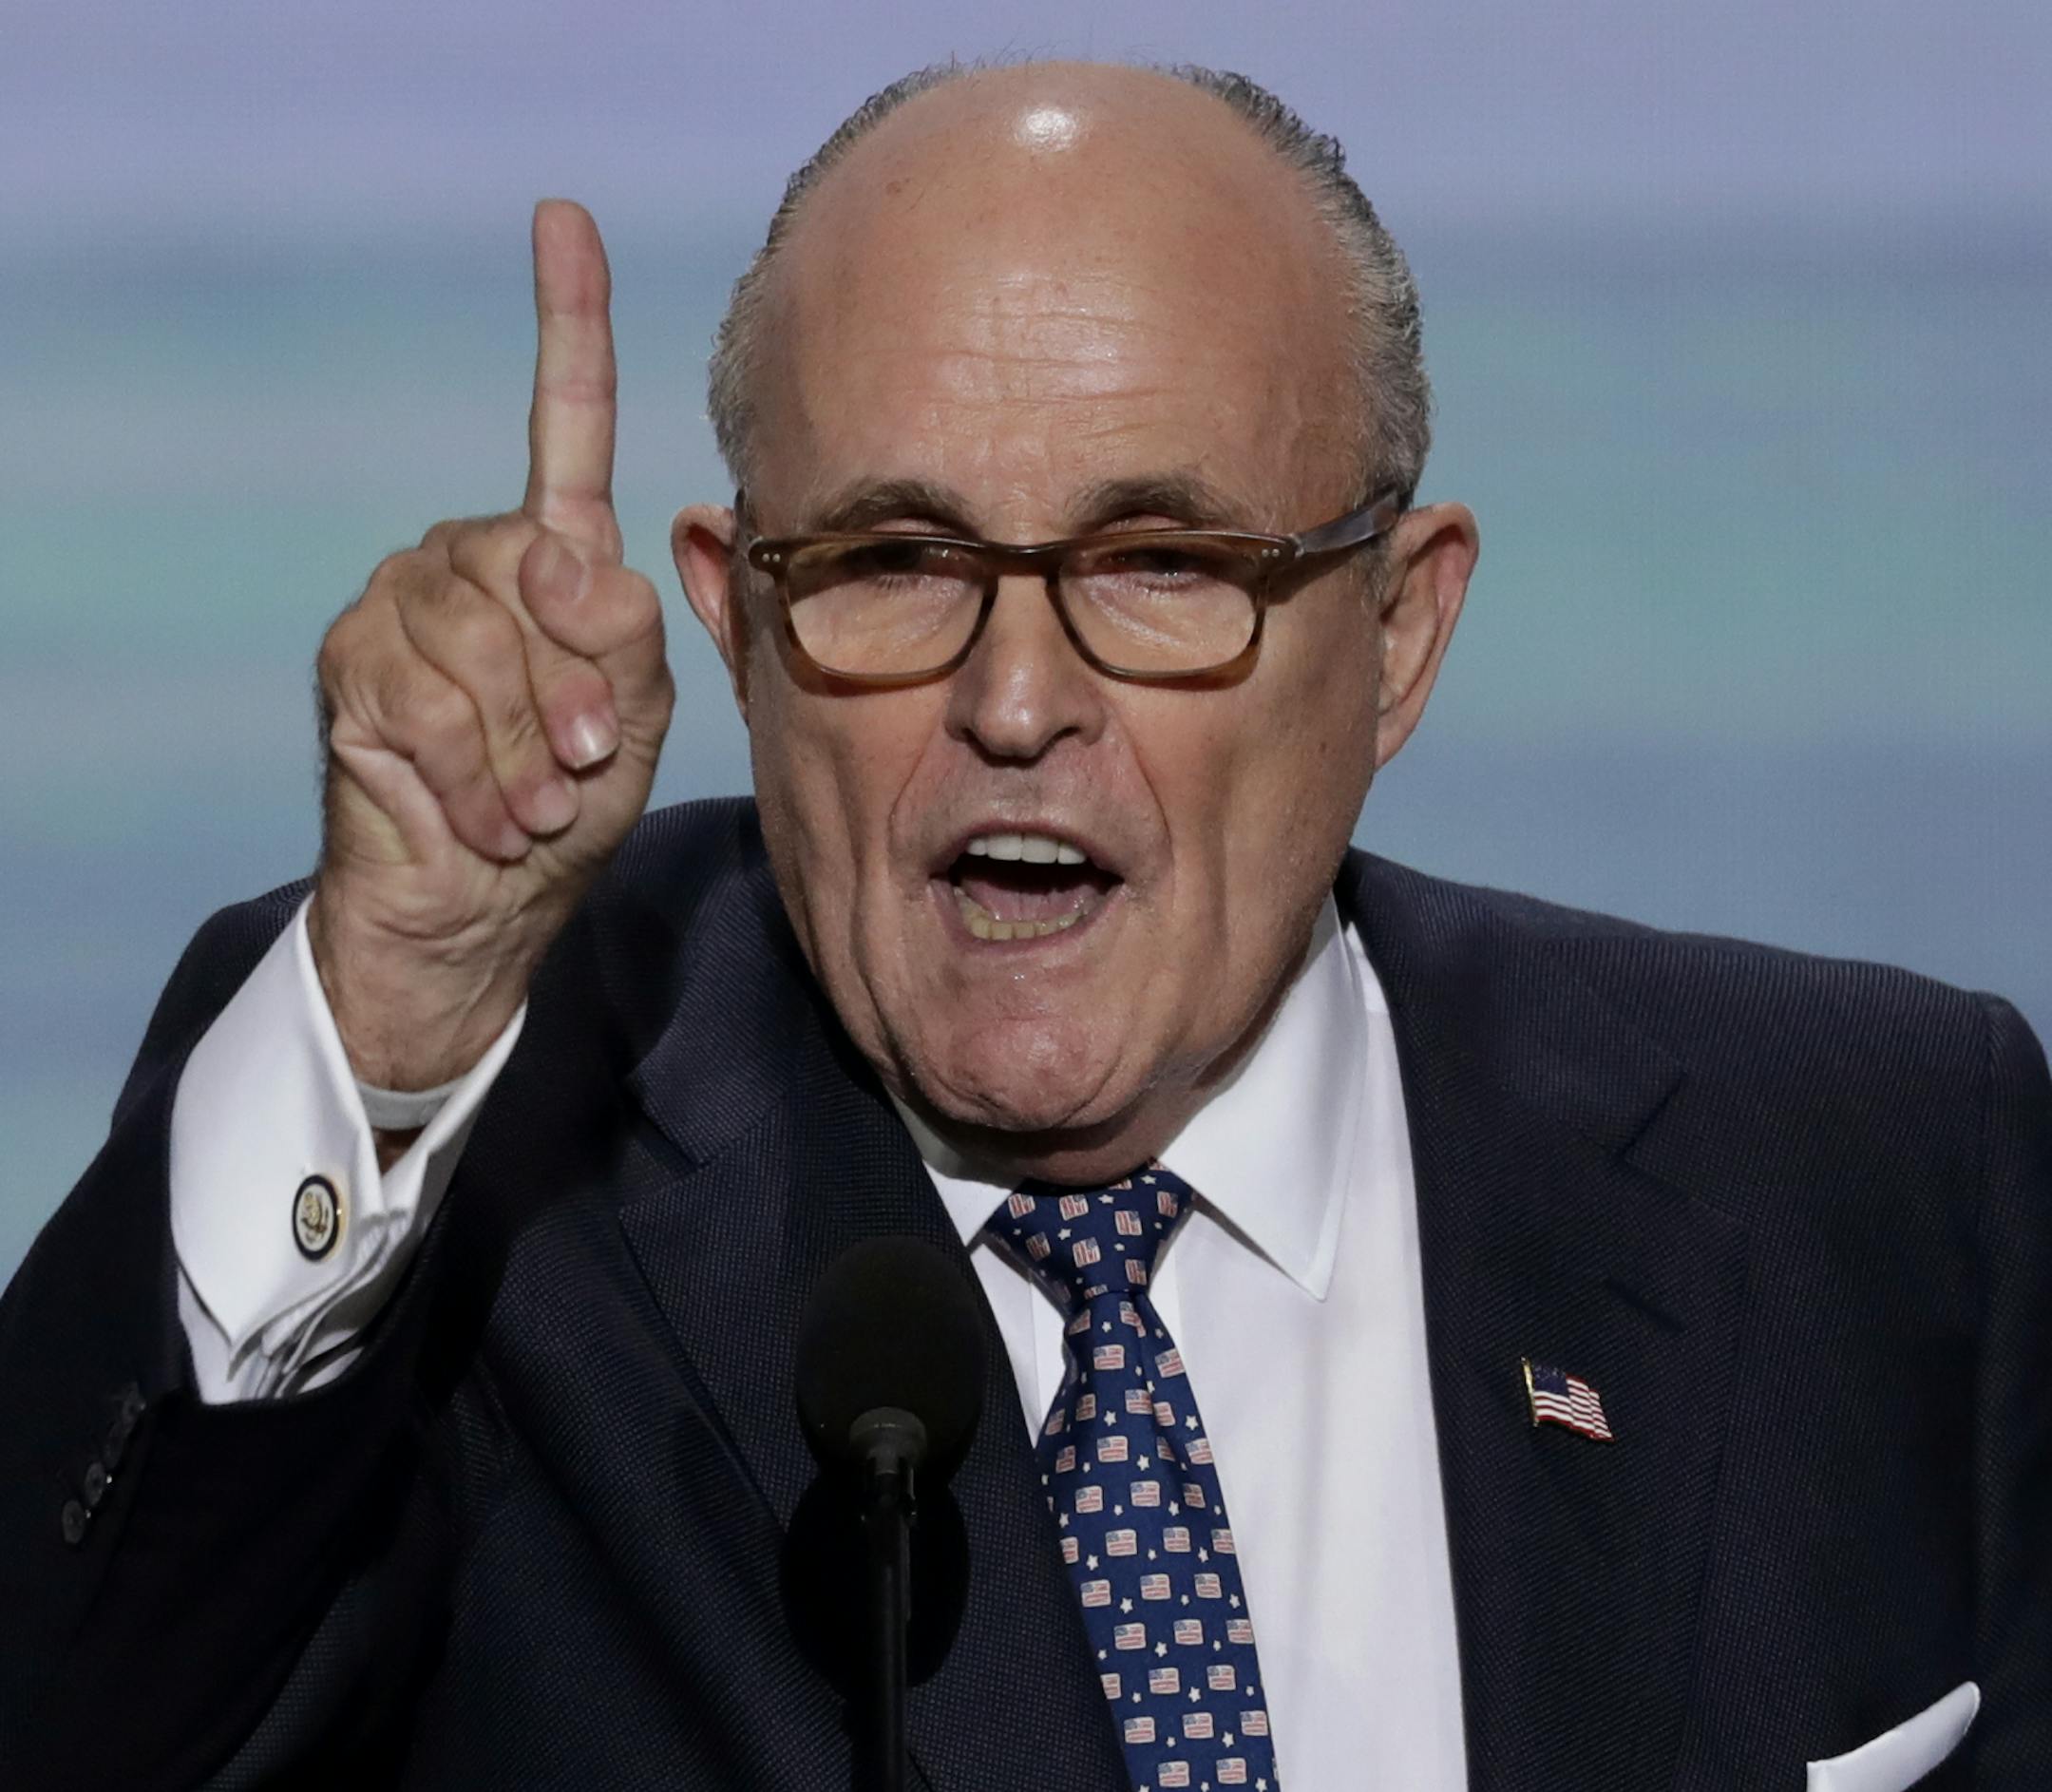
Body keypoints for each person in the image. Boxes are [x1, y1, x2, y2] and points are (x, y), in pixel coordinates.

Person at [1, 58, 2045, 1792]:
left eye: (1160, 559)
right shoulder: (484, 1182)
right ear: (737, 619)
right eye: (895, 559)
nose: (1014, 698)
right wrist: (404, 1006)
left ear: (1403, 633)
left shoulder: (1879, 1163)